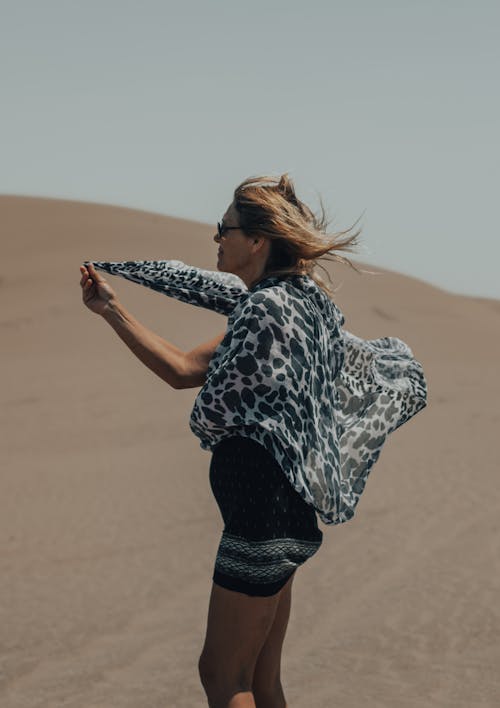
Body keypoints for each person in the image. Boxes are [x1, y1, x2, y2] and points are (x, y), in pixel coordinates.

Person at [80, 173, 427, 708]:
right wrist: (112, 309)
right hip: (285, 515)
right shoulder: (291, 305)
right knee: (261, 681)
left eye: (226, 228)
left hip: (261, 514)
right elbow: (182, 366)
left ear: (258, 239)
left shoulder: (267, 310)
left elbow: (198, 383)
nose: (217, 237)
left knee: (223, 676)